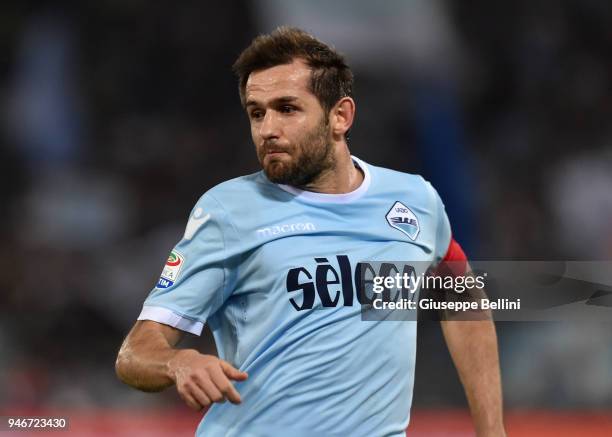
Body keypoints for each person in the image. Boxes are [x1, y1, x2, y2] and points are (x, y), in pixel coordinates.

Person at [115, 27, 506, 437]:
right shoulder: (228, 212)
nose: (267, 129)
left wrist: (492, 430)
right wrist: (179, 363)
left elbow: (462, 298)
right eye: (256, 112)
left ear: (341, 116)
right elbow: (135, 353)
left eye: (287, 108)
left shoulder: (414, 199)